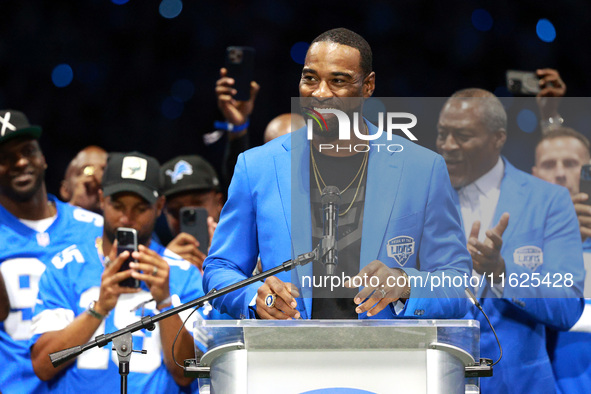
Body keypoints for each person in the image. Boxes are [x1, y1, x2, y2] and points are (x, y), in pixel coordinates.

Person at [203, 28, 472, 321]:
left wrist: (405, 283)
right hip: (287, 358)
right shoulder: (257, 167)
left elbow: (457, 282)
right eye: (310, 78)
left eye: (338, 81)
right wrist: (253, 298)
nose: (320, 93)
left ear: (367, 86)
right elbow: (219, 269)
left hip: (387, 360)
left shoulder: (421, 169)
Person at [436, 89, 585, 393]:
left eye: (462, 135)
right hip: (435, 380)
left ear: (498, 138)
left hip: (520, 384)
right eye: (442, 134)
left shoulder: (549, 201)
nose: (448, 146)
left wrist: (502, 273)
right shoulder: (423, 195)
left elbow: (568, 303)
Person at [30, 152, 205, 393]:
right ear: (101, 199)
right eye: (117, 205)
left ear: (159, 206)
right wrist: (98, 309)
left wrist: (165, 302)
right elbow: (42, 365)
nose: (126, 218)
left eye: (140, 208)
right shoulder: (65, 267)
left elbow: (186, 373)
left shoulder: (182, 273)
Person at [0, 109, 103, 393]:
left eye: (27, 151)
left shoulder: (95, 228)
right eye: (5, 158)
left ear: (43, 158)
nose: (20, 162)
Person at [532, 127, 591, 392]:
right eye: (548, 164)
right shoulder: (513, 248)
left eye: (570, 163)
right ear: (534, 176)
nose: (559, 173)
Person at [160, 155, 224, 272]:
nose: (189, 217)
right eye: (176, 210)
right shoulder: (157, 263)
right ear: (164, 211)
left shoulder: (249, 249)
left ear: (218, 202)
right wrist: (172, 270)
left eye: (197, 205)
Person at [59, 145, 108, 213]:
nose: (95, 176)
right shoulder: (53, 216)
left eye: (104, 170)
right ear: (65, 190)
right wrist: (77, 205)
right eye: (85, 170)